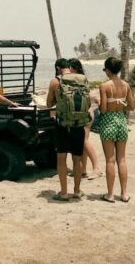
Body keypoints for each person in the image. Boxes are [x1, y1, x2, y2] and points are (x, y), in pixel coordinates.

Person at [46, 58, 88, 201]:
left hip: (62, 124)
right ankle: (77, 190)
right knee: (77, 158)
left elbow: (48, 104)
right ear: (69, 67)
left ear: (58, 68)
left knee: (61, 158)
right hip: (78, 124)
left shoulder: (55, 81)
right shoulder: (82, 79)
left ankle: (63, 192)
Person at [99, 57, 134, 203]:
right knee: (122, 159)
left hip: (108, 122)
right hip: (121, 121)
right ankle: (124, 193)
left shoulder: (105, 86)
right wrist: (121, 103)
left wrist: (100, 103)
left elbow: (104, 109)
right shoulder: (126, 85)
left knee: (110, 160)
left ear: (107, 70)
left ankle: (110, 194)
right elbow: (131, 106)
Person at [69, 58, 102, 180]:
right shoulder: (82, 79)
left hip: (85, 114)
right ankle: (82, 170)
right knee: (83, 142)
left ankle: (96, 168)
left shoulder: (77, 80)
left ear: (73, 68)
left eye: (69, 68)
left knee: (84, 141)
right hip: (87, 112)